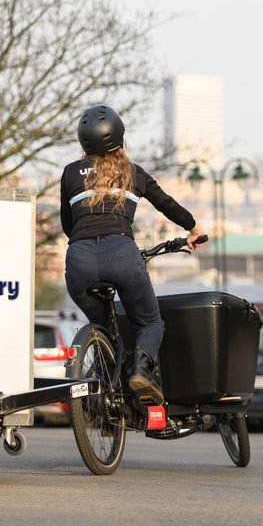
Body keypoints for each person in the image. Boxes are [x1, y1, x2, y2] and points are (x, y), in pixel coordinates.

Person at [60, 104, 205, 404]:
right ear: (120, 138)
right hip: (122, 256)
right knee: (150, 323)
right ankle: (141, 370)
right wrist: (194, 229)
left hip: (79, 262)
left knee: (102, 327)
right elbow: (166, 204)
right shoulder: (132, 173)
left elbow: (67, 224)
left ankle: (103, 377)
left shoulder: (71, 173)